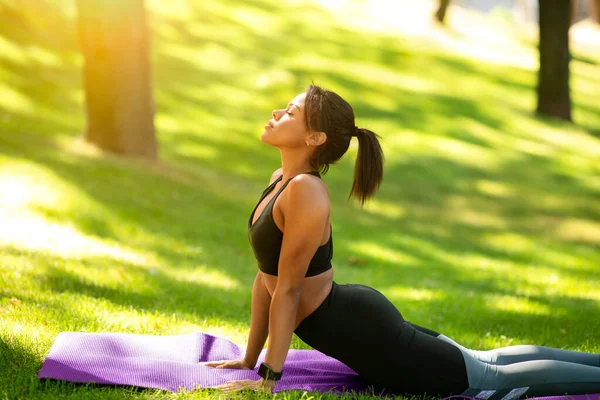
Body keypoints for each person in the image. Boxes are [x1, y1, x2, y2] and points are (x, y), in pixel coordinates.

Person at [204, 84, 600, 398]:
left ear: (315, 137)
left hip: (368, 334)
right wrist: (248, 359)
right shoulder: (281, 181)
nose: (275, 114)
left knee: (486, 378)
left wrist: (268, 379)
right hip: (359, 321)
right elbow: (267, 279)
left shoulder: (305, 192)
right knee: (483, 361)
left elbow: (288, 290)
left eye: (290, 112)